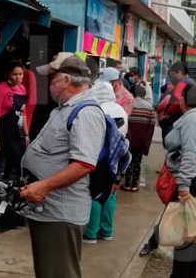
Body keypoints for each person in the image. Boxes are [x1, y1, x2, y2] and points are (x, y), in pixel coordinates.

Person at [19, 53, 106, 278]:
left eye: (52, 78)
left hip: (61, 213)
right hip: (48, 209)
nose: (49, 84)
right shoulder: (65, 108)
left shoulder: (86, 112)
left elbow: (84, 164)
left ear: (66, 80)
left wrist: (44, 186)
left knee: (59, 273)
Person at [142, 84, 196, 277]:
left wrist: (184, 186)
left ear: (186, 101)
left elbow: (191, 155)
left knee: (184, 237)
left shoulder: (193, 120)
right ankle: (190, 273)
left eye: (181, 98)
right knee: (192, 234)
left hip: (193, 182)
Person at [83, 76, 130, 245]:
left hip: (99, 157)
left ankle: (91, 233)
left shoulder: (97, 109)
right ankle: (107, 230)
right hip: (118, 157)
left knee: (95, 193)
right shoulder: (120, 109)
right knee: (111, 193)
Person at [0, 60, 29, 180]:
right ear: (8, 75)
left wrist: (26, 134)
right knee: (0, 162)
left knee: (19, 162)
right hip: (3, 130)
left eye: (20, 74)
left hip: (17, 130)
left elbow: (23, 112)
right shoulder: (1, 88)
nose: (18, 77)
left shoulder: (22, 89)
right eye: (14, 74)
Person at [124, 84, 156, 191]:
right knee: (137, 162)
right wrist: (147, 141)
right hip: (141, 139)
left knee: (128, 161)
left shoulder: (128, 104)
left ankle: (127, 184)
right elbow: (151, 125)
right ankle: (134, 185)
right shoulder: (149, 107)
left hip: (129, 138)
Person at [156, 61, 194, 137]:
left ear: (179, 72)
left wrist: (168, 113)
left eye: (173, 74)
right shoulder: (192, 83)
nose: (173, 77)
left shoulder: (181, 84)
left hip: (175, 119)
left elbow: (177, 103)